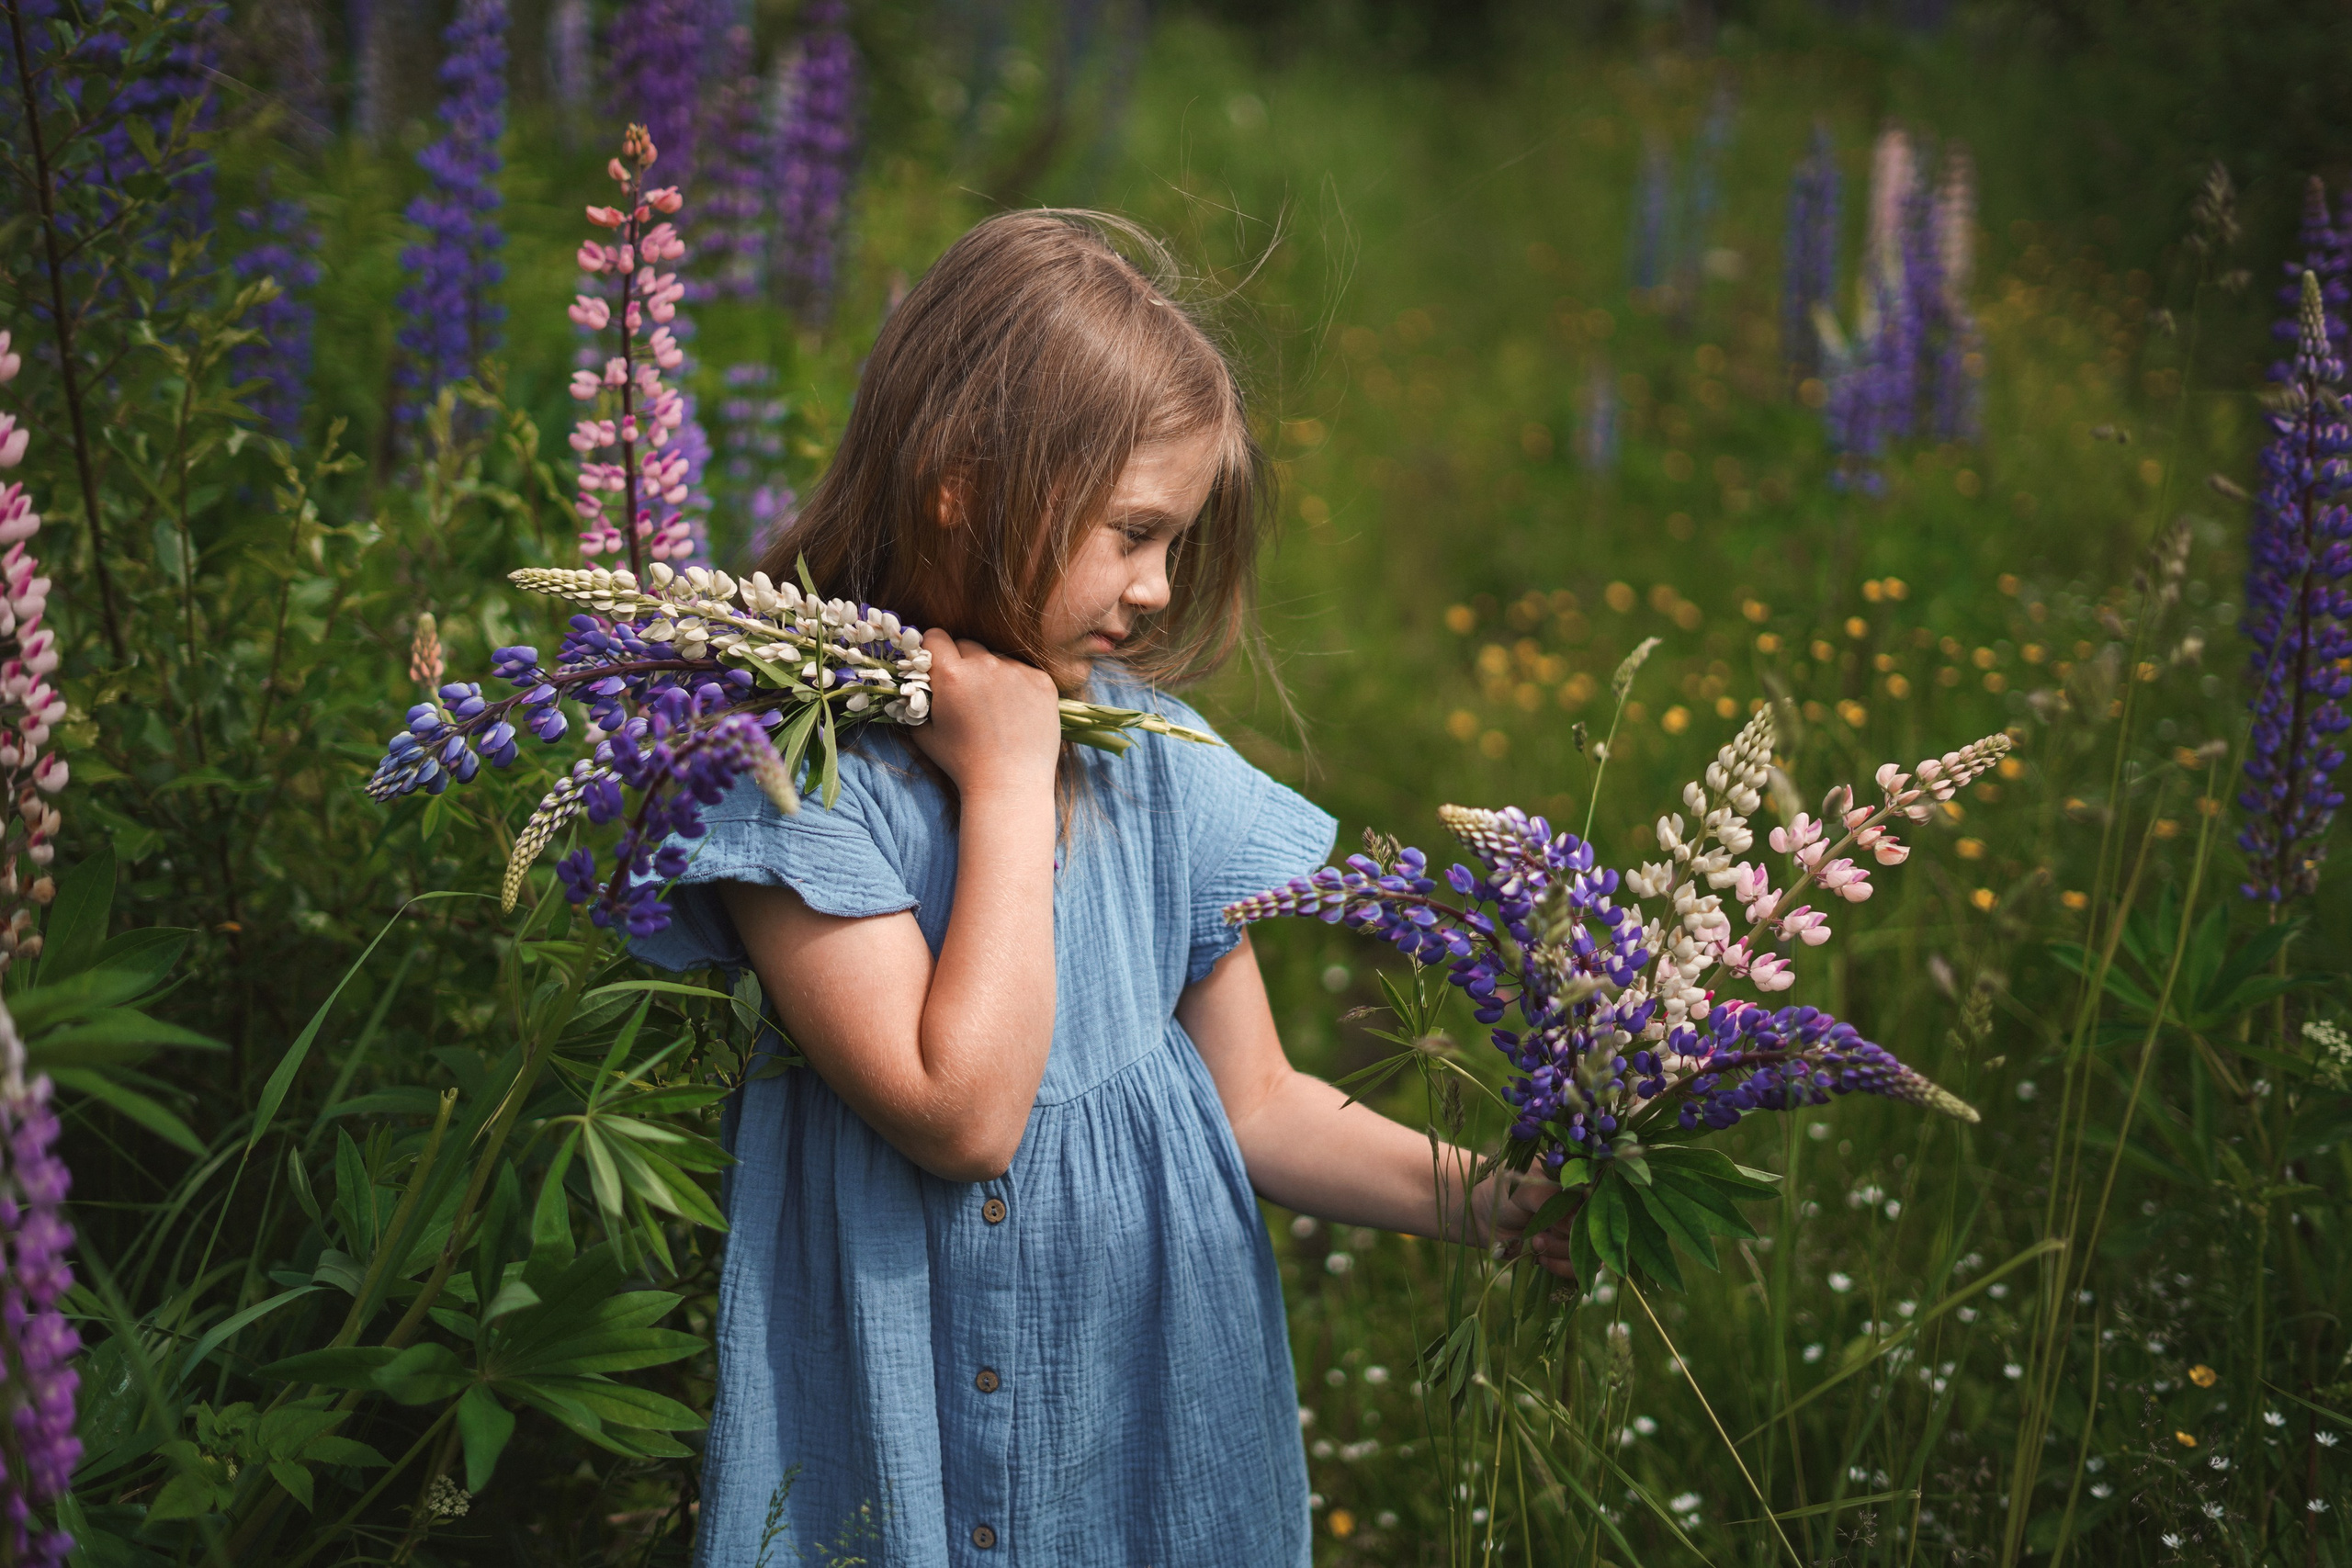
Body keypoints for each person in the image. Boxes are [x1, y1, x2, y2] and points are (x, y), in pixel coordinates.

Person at [637, 209, 1578, 1566]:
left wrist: (1489, 1199)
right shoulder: (788, 774)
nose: (1152, 588)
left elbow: (1257, 1103)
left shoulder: (1154, 763)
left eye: (1176, 544)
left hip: (1145, 1421)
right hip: (895, 1418)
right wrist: (1011, 783)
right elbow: (959, 1116)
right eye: (1130, 532)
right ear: (963, 481)